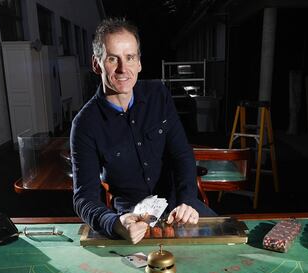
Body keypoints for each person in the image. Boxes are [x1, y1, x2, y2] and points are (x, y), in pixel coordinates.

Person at [70, 17, 215, 244]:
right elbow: (84, 198)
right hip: (131, 218)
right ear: (96, 63)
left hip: (179, 208)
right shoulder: (84, 124)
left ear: (139, 62)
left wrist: (187, 201)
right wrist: (114, 223)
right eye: (112, 59)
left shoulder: (159, 95)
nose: (122, 69)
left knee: (226, 253)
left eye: (130, 58)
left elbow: (182, 154)